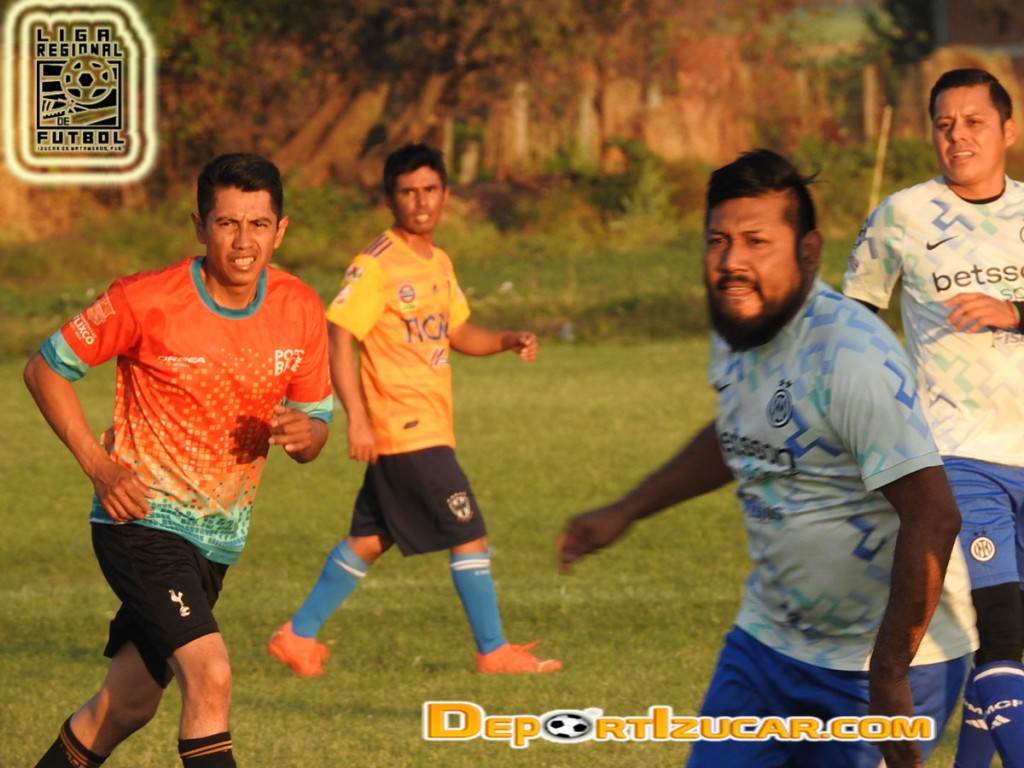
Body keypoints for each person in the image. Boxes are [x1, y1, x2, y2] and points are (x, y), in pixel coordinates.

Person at [558, 148, 977, 768]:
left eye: (756, 241)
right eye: (718, 241)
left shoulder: (851, 358)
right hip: (767, 646)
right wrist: (628, 509)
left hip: (878, 666)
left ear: (808, 251)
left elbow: (933, 515)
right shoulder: (740, 320)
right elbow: (740, 430)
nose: (732, 261)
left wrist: (890, 673)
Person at [25, 153, 333, 768]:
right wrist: (99, 466)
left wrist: (308, 434)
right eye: (227, 223)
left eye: (258, 224)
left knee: (126, 705)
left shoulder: (300, 307)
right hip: (140, 523)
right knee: (210, 673)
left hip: (217, 541)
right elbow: (45, 369)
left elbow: (315, 423)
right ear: (199, 226)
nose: (243, 242)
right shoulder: (144, 299)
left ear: (280, 230)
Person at [267, 142, 561, 677]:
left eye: (429, 190)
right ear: (391, 198)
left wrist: (507, 339)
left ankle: (298, 635)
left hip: (426, 427)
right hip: (404, 428)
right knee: (467, 530)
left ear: (445, 194)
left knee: (371, 538)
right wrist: (357, 418)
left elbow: (458, 331)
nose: (420, 201)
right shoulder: (374, 265)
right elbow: (339, 333)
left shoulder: (438, 262)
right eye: (408, 192)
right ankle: (494, 651)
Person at [843, 67, 1024, 768]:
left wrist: (1014, 312)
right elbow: (852, 320)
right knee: (1002, 632)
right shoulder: (903, 216)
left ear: (1008, 131)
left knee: (1005, 656)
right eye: (945, 124)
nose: (958, 136)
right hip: (959, 458)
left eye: (974, 122)